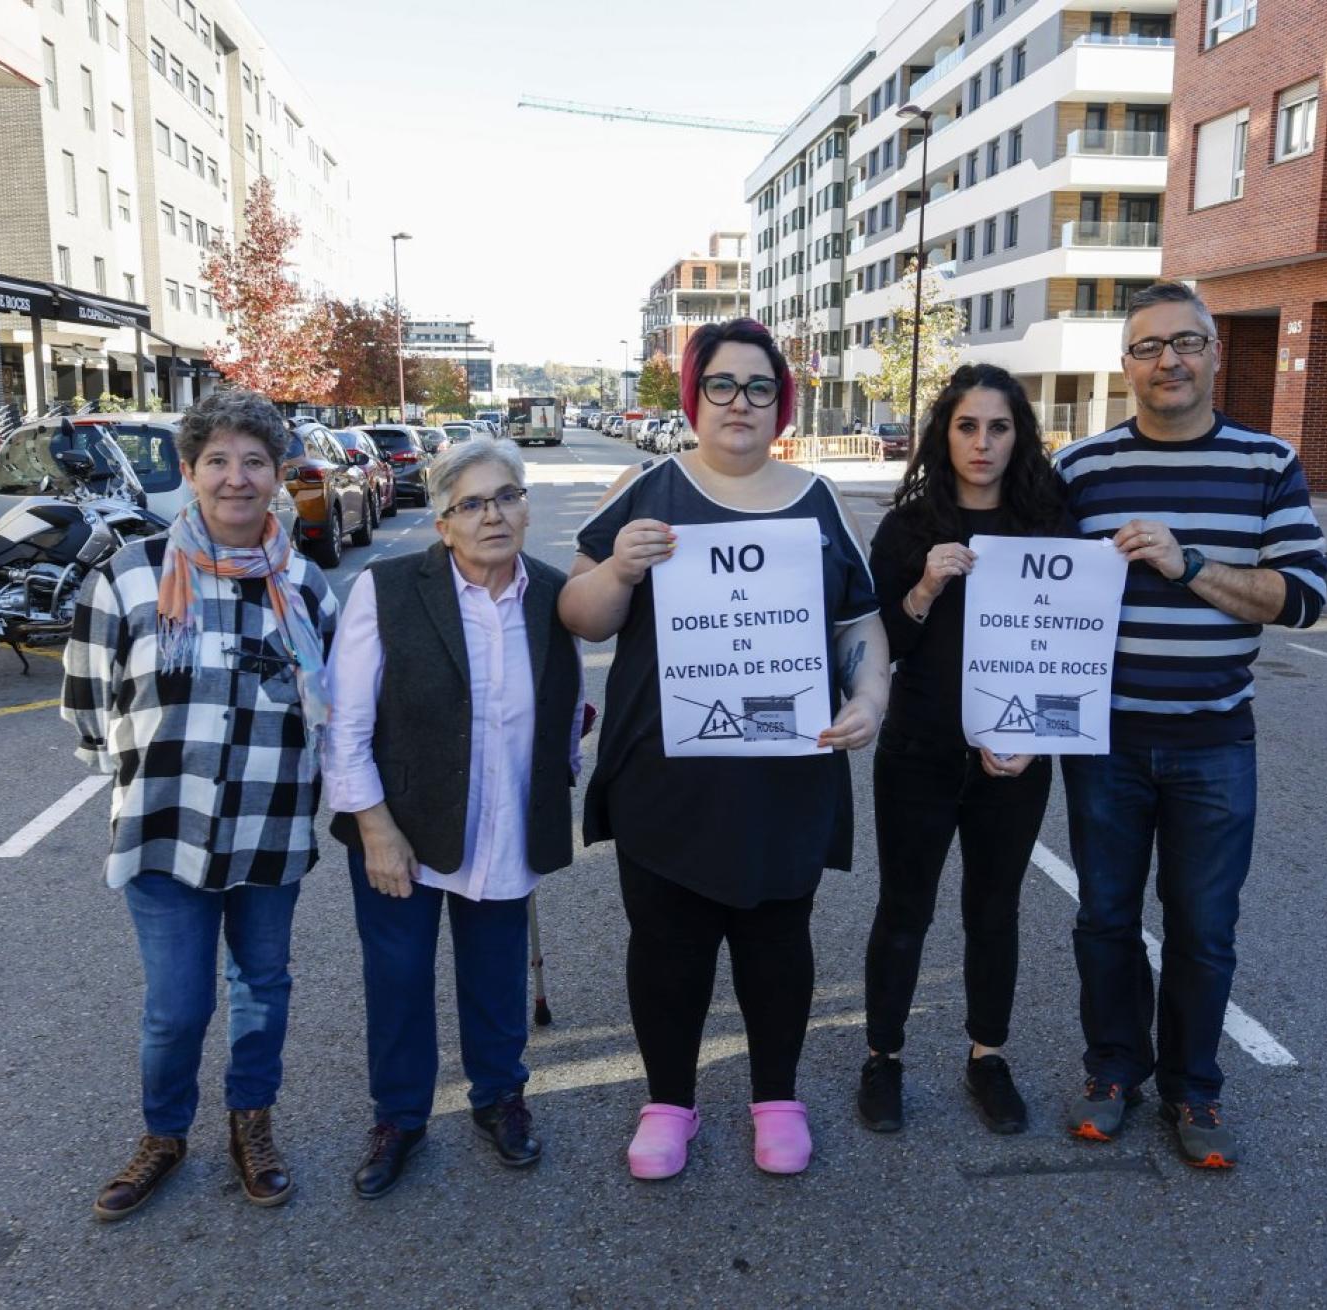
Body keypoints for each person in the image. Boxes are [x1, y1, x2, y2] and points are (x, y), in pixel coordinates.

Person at [560, 318, 889, 1180]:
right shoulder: (649, 487)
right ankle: (669, 1100)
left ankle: (776, 1096)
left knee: (778, 943)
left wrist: (870, 695)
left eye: (757, 388)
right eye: (722, 385)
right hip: (666, 774)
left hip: (784, 773)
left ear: (780, 403)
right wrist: (620, 571)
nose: (739, 402)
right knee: (667, 948)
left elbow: (859, 620)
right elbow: (580, 616)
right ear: (694, 397)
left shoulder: (818, 500)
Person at [1051, 282, 1327, 1169]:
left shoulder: (1265, 463)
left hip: (1214, 740)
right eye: (1147, 346)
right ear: (1125, 364)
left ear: (1215, 353)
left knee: (1203, 926)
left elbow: (1305, 598)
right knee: (1102, 917)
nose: (1167, 361)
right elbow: (1033, 592)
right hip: (1105, 741)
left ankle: (1194, 1089)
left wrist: (1190, 562)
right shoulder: (1081, 470)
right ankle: (1112, 1072)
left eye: (1186, 342)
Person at [62, 388, 337, 1220]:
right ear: (188, 472)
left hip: (269, 828)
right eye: (216, 460)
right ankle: (164, 1134)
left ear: (278, 475)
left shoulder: (305, 585)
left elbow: (336, 708)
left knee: (263, 986)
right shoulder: (129, 576)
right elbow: (88, 706)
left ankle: (251, 1122)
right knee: (177, 1005)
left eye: (254, 461)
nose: (236, 478)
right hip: (163, 833)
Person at [324, 438, 584, 1198]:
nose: (492, 515)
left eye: (506, 496)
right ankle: (400, 1117)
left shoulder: (553, 595)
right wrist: (373, 825)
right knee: (399, 977)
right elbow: (345, 721)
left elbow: (563, 700)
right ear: (443, 524)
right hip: (398, 824)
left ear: (526, 507)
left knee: (496, 974)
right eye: (471, 504)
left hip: (505, 815)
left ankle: (499, 1097)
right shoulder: (388, 589)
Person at [858, 363, 1075, 1136]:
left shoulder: (1049, 522)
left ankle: (988, 1056)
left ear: (1020, 436)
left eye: (999, 427)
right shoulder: (910, 526)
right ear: (942, 435)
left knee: (995, 908)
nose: (982, 443)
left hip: (1012, 753)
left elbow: (1066, 643)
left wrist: (1031, 735)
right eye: (966, 426)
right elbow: (876, 645)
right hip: (918, 745)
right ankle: (883, 1057)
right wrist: (920, 590)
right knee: (904, 909)